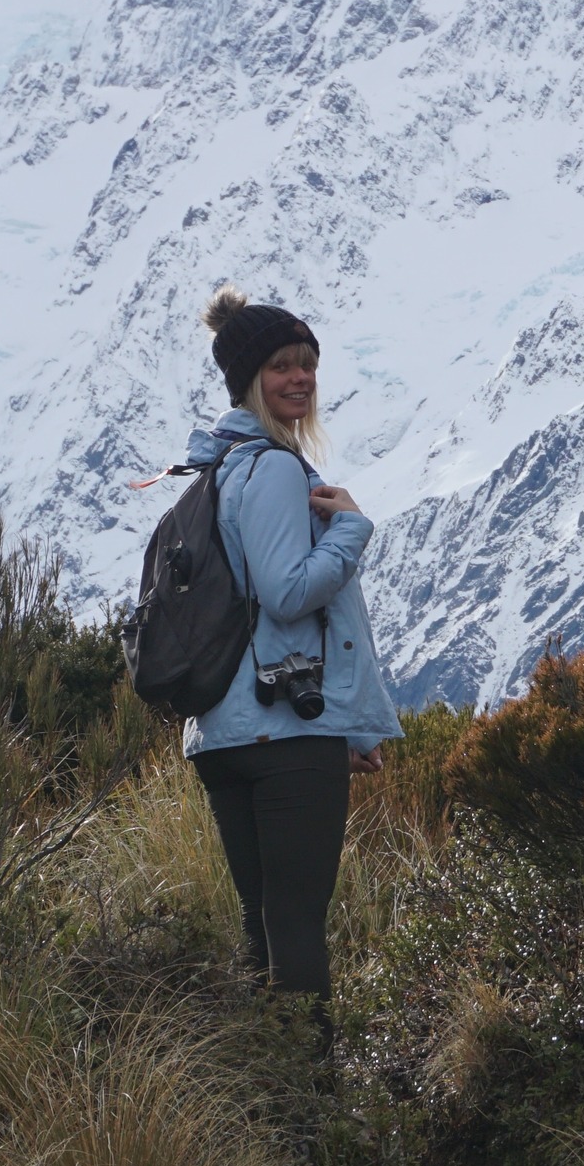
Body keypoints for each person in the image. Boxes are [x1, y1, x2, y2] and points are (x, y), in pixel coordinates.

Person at [181, 284, 401, 1021]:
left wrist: (351, 730)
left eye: (307, 363)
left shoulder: (216, 469)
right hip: (284, 731)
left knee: (261, 921)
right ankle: (313, 1104)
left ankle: (265, 1104)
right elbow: (285, 593)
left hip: (225, 732)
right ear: (248, 378)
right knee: (298, 922)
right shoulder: (273, 467)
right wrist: (351, 529)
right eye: (281, 365)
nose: (300, 378)